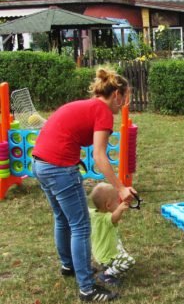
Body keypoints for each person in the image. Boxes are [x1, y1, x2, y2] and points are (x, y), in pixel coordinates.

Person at [32, 68, 136, 302]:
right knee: (80, 227)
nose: (122, 105)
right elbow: (100, 156)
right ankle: (87, 288)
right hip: (59, 168)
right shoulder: (103, 111)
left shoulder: (88, 106)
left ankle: (69, 266)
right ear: (116, 94)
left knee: (62, 218)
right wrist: (120, 188)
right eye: (124, 98)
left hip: (40, 164)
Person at [89, 183, 135, 287]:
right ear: (108, 205)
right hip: (107, 257)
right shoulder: (106, 218)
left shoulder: (93, 213)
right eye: (117, 201)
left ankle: (107, 266)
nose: (119, 203)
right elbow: (114, 218)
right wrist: (120, 209)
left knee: (119, 246)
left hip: (99, 254)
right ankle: (107, 274)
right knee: (129, 261)